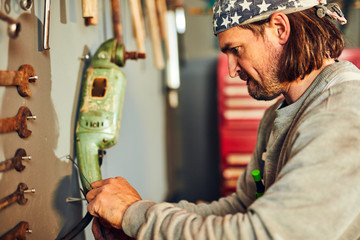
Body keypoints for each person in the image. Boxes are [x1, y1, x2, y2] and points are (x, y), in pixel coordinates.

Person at [86, 0, 360, 239]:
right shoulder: (280, 113)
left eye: (236, 50)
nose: (231, 70)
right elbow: (242, 206)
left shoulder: (339, 114)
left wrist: (136, 215)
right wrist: (138, 224)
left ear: (280, 28)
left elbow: (263, 233)